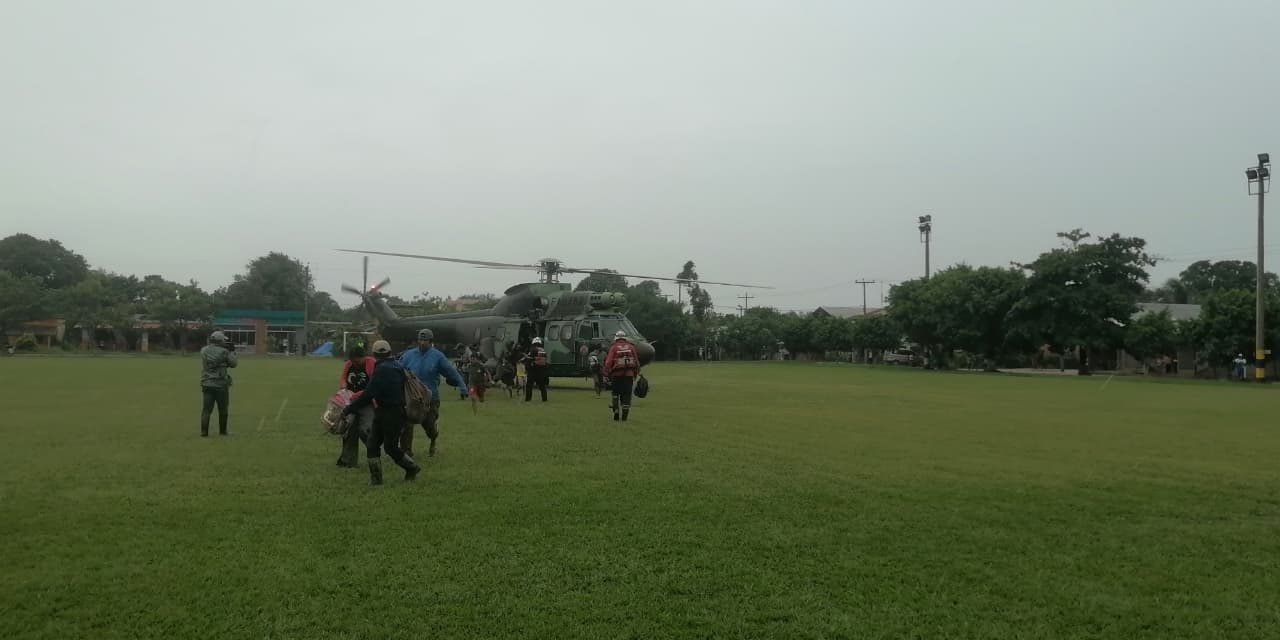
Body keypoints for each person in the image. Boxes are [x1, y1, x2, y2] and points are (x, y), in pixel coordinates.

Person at [342, 340, 421, 484]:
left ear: (374, 354)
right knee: (373, 444)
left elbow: (369, 394)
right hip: (389, 411)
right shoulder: (397, 365)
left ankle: (412, 467)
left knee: (390, 447)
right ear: (389, 352)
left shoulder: (382, 369)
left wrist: (348, 409)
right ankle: (376, 480)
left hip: (390, 413)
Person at [398, 328, 467, 458]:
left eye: (425, 340)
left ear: (431, 342)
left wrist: (462, 387)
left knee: (429, 426)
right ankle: (406, 452)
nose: (422, 342)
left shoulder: (438, 356)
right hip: (411, 397)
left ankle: (433, 439)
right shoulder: (408, 355)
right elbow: (397, 369)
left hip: (430, 398)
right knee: (407, 423)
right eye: (420, 339)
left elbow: (452, 372)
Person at [336, 345, 376, 468]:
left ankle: (374, 454)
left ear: (363, 357)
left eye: (357, 361)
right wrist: (344, 388)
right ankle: (348, 460)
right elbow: (343, 378)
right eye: (353, 360)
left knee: (366, 430)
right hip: (351, 403)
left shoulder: (371, 363)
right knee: (348, 430)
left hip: (367, 402)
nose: (355, 363)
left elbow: (373, 385)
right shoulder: (349, 364)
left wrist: (356, 395)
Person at [199, 331, 238, 436]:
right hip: (220, 384)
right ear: (220, 340)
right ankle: (223, 431)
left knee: (206, 410)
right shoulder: (224, 351)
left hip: (206, 383)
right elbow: (234, 364)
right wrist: (232, 352)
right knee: (223, 409)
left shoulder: (204, 350)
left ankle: (204, 432)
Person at [604, 330, 642, 421]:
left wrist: (606, 373)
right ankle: (624, 416)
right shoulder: (631, 347)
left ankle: (616, 410)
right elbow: (636, 363)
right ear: (625, 338)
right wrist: (635, 374)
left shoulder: (614, 347)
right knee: (627, 395)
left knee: (615, 394)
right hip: (629, 375)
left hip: (616, 375)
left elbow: (608, 362)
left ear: (616, 338)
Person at [523, 337, 550, 402]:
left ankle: (528, 399)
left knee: (529, 385)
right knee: (542, 386)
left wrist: (526, 368)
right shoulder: (543, 351)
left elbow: (529, 360)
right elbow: (546, 362)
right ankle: (544, 399)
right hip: (541, 371)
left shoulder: (533, 350)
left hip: (533, 370)